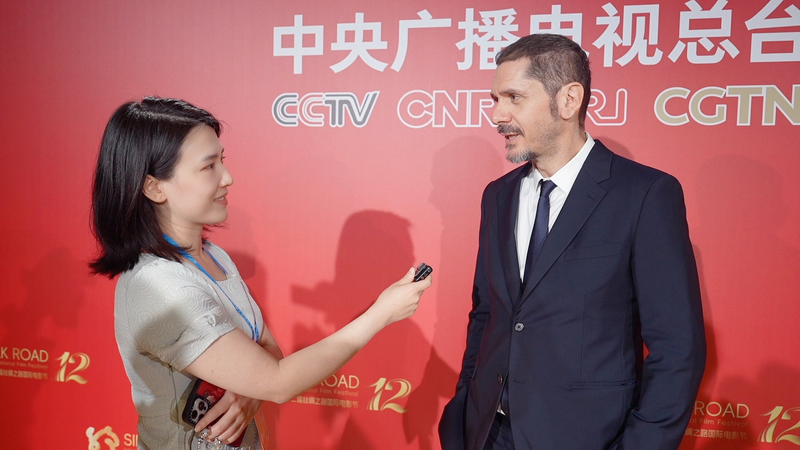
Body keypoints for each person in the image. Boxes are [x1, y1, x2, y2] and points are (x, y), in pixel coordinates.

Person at [89, 97, 431, 449]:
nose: (228, 178)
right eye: (209, 167)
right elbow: (277, 381)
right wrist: (382, 313)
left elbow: (269, 351)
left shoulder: (215, 256)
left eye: (223, 160)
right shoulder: (158, 286)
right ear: (154, 187)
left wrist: (250, 390)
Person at [439, 34, 705, 450]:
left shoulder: (644, 194)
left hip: (587, 438)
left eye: (513, 97)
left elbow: (678, 348)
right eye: (494, 98)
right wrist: (463, 412)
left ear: (569, 100)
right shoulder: (498, 196)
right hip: (488, 432)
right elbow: (487, 316)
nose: (497, 115)